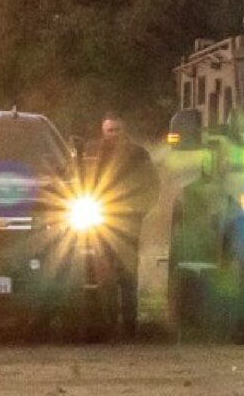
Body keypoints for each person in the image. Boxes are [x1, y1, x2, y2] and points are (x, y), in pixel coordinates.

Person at [83, 116, 156, 331]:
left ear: (125, 130)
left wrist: (140, 211)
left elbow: (152, 185)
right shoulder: (92, 153)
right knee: (101, 272)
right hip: (98, 219)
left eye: (117, 129)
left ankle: (130, 323)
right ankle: (106, 322)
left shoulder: (139, 155)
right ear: (102, 131)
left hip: (129, 221)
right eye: (109, 130)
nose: (113, 134)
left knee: (127, 273)